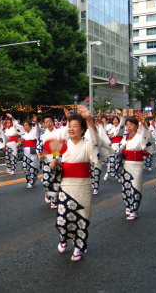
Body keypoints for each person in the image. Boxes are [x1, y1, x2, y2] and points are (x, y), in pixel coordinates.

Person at [52, 105, 98, 262]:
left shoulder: (87, 144)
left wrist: (89, 119)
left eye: (75, 126)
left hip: (82, 185)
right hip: (66, 185)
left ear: (83, 130)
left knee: (81, 217)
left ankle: (78, 247)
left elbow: (96, 140)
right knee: (63, 217)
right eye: (69, 126)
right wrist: (54, 163)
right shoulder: (62, 143)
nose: (71, 129)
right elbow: (55, 159)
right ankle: (63, 238)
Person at [118, 113, 149, 220]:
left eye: (131, 124)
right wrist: (121, 148)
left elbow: (147, 138)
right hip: (126, 164)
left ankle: (134, 210)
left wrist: (144, 124)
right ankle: (128, 205)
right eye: (127, 125)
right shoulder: (125, 137)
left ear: (136, 126)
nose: (128, 126)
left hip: (136, 164)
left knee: (135, 185)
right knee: (126, 185)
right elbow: (119, 148)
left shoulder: (140, 136)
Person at [37, 110, 70, 209]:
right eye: (46, 122)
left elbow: (68, 130)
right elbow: (39, 146)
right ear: (44, 124)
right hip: (47, 160)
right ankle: (48, 193)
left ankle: (54, 201)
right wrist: (39, 153)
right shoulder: (43, 135)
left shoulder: (60, 131)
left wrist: (68, 118)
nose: (48, 123)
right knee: (46, 181)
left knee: (56, 180)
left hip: (57, 159)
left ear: (53, 122)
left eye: (50, 121)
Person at [104, 112, 125, 181]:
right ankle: (107, 173)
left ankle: (119, 175)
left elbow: (122, 122)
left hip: (120, 145)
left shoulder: (120, 127)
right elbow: (107, 135)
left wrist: (121, 115)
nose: (115, 121)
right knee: (111, 160)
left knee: (119, 161)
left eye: (116, 120)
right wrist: (110, 136)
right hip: (113, 145)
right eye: (114, 120)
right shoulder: (111, 128)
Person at [21, 116, 40, 189]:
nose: (25, 127)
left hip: (33, 151)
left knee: (32, 167)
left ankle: (31, 182)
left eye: (26, 125)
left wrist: (36, 123)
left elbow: (38, 130)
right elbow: (22, 141)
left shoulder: (35, 131)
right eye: (24, 125)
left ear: (30, 125)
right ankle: (28, 179)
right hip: (26, 152)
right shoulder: (24, 134)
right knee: (25, 167)